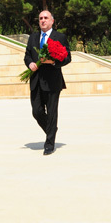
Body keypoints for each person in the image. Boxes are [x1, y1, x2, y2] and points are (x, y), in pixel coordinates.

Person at [24, 10, 72, 155]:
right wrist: (30, 63)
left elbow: (67, 57)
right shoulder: (33, 37)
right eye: (40, 18)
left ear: (52, 21)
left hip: (52, 81)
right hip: (36, 81)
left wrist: (53, 62)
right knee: (36, 111)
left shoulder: (60, 37)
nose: (43, 20)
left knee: (52, 113)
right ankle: (51, 129)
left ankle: (49, 144)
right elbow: (27, 55)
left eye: (46, 18)